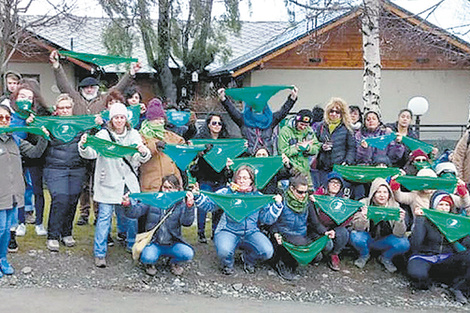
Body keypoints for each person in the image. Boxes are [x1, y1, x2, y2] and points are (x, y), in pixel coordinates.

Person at [78, 102, 151, 268]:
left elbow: (142, 157)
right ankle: (99, 253)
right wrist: (83, 145)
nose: (119, 120)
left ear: (126, 119)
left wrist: (143, 151)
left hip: (128, 182)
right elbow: (91, 153)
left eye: (122, 117)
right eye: (116, 117)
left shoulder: (134, 134)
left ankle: (132, 245)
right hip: (108, 181)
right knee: (104, 217)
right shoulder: (103, 135)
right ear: (111, 119)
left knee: (131, 215)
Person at [195, 165, 283, 275]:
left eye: (245, 178)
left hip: (251, 232)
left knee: (267, 251)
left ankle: (248, 259)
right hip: (228, 230)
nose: (242, 181)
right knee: (224, 251)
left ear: (252, 180)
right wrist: (197, 196)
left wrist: (277, 206)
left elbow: (267, 219)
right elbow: (209, 205)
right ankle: (227, 264)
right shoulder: (226, 193)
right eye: (239, 177)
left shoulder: (258, 197)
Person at [0, 104, 48, 277]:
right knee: (0, 228)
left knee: (7, 230)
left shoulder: (16, 140)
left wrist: (43, 137)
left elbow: (35, 153)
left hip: (14, 194)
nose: (4, 121)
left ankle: (3, 259)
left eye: (7, 118)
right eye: (0, 118)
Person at [40, 94, 88, 251]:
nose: (65, 110)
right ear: (56, 110)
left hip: (76, 168)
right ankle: (53, 235)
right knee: (60, 199)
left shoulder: (79, 124)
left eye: (68, 107)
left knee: (73, 200)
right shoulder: (50, 124)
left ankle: (67, 232)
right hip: (55, 168)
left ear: (72, 109)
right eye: (62, 108)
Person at [123, 175, 195, 276]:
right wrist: (128, 205)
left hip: (172, 243)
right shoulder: (154, 200)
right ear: (161, 187)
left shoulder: (181, 204)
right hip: (154, 242)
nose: (167, 191)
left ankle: (173, 263)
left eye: (171, 188)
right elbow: (134, 213)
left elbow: (187, 223)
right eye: (165, 187)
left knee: (188, 254)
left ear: (178, 189)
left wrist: (189, 207)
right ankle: (149, 264)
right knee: (148, 257)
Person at [407, 190, 470, 304]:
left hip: (447, 259)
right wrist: (419, 220)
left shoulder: (455, 222)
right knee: (418, 276)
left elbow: (465, 245)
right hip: (424, 257)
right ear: (434, 206)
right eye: (441, 204)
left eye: (447, 205)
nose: (444, 208)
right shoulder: (425, 219)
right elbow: (415, 245)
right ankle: (434, 282)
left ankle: (457, 287)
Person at [269, 174, 334, 280]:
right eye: (300, 192)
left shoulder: (307, 202)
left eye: (306, 192)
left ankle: (298, 258)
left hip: (301, 235)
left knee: (327, 244)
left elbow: (315, 223)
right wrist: (275, 233)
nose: (304, 195)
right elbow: (272, 222)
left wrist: (325, 232)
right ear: (291, 188)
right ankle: (282, 263)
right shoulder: (281, 200)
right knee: (302, 245)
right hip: (283, 235)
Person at [350, 178, 410, 272]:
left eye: (385, 192)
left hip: (385, 241)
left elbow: (399, 234)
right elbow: (357, 228)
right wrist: (363, 217)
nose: (382, 195)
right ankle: (364, 255)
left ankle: (386, 257)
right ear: (373, 193)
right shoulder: (363, 204)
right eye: (378, 192)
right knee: (355, 236)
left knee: (404, 243)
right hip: (367, 238)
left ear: (389, 194)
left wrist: (400, 221)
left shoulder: (395, 206)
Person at [217, 87, 298, 155]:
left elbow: (283, 111)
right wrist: (223, 99)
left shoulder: (271, 120)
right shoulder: (243, 120)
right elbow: (231, 110)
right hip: (249, 155)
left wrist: (292, 99)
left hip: (266, 155)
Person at [190, 113, 231, 243]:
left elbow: (235, 151)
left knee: (218, 206)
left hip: (221, 178)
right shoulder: (200, 138)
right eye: (214, 123)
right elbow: (192, 153)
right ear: (208, 124)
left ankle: (215, 232)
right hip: (205, 177)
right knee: (203, 205)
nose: (217, 126)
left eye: (219, 123)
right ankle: (201, 233)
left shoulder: (226, 140)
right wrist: (199, 150)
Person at [139, 98, 185, 193]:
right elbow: (139, 154)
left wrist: (190, 146)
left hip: (172, 186)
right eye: (156, 119)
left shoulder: (169, 135)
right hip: (152, 186)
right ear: (149, 120)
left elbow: (183, 147)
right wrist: (155, 147)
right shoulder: (141, 135)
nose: (160, 122)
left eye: (161, 119)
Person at [312, 172, 351, 271]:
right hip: (319, 228)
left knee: (344, 233)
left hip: (335, 228)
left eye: (338, 184)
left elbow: (346, 218)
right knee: (328, 245)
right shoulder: (318, 196)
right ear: (327, 183)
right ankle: (320, 254)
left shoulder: (343, 200)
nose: (335, 185)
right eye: (332, 182)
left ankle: (334, 255)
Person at [315, 98, 356, 188]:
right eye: (331, 111)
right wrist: (322, 146)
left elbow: (352, 148)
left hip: (339, 167)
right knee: (322, 190)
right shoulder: (321, 127)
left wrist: (347, 161)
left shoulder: (347, 128)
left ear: (342, 114)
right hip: (323, 167)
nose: (334, 114)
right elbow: (315, 143)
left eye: (337, 112)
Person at [278, 109, 320, 187]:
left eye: (306, 125)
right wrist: (297, 148)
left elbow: (316, 147)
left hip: (305, 169)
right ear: (296, 121)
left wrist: (308, 148)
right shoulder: (285, 131)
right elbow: (282, 151)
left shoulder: (309, 131)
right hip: (291, 170)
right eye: (301, 124)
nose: (303, 127)